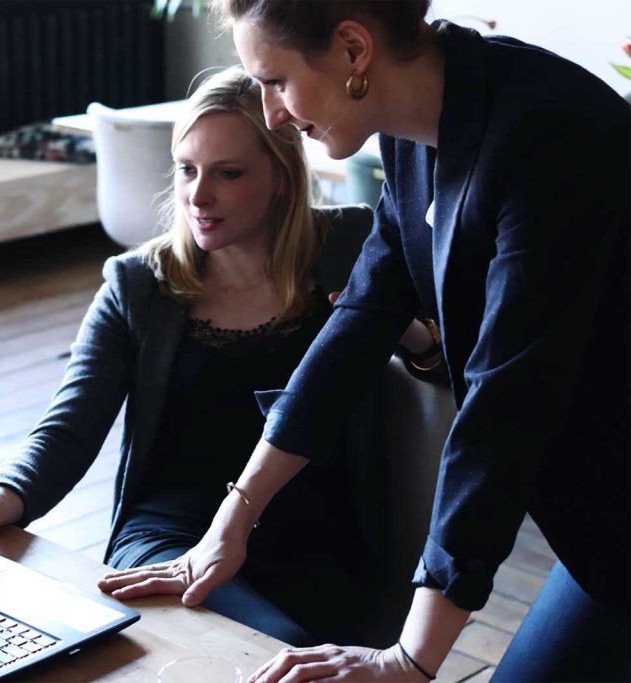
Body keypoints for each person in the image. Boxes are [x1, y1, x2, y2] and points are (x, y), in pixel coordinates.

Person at [101, 2, 630, 681]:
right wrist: (232, 521)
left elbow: (507, 406)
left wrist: (409, 659)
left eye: (277, 81)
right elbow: (360, 320)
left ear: (354, 50)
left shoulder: (548, 134)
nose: (272, 116)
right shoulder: (416, 133)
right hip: (600, 519)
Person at [0, 65, 386, 646]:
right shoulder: (139, 284)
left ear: (282, 178)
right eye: (187, 170)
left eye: (229, 173)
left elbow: (444, 367)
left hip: (320, 537)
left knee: (287, 650)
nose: (198, 195)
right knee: (270, 648)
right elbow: (68, 429)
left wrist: (416, 335)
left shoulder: (353, 247)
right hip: (170, 537)